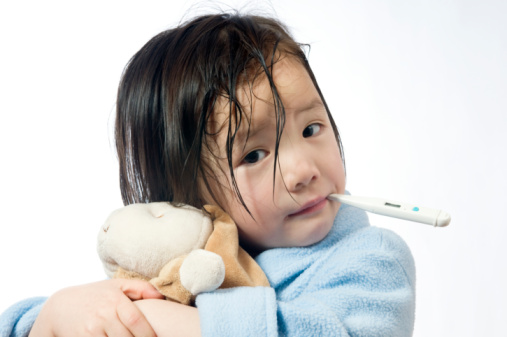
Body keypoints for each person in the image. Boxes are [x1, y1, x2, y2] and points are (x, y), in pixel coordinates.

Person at [1, 12, 415, 337]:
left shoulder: (372, 260)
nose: (303, 171)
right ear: (186, 194)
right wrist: (57, 313)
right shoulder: (174, 270)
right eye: (254, 154)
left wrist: (146, 318)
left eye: (311, 129)